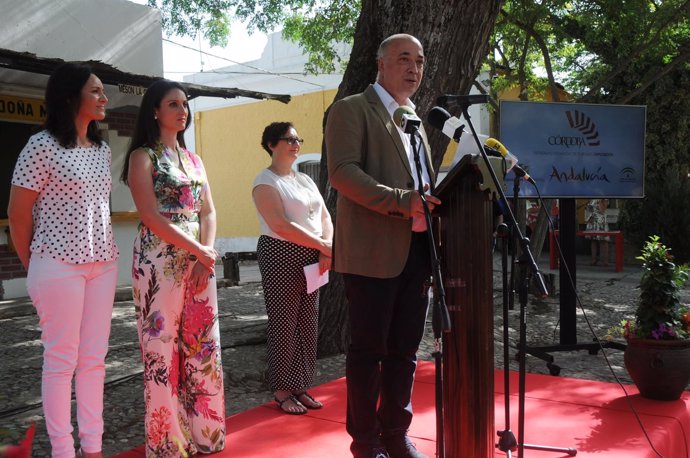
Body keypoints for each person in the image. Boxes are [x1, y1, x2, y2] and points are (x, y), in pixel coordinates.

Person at [325, 33, 440, 458]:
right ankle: (366, 442)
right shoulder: (352, 110)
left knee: (405, 352)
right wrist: (402, 201)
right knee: (368, 352)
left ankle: (395, 433)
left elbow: (422, 183)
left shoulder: (414, 120)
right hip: (372, 254)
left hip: (417, 252)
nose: (414, 69)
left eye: (420, 61)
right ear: (381, 64)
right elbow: (342, 173)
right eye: (405, 59)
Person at [7, 63, 119, 458]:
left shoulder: (103, 150)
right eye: (97, 91)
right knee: (61, 361)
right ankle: (62, 451)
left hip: (102, 263)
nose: (104, 99)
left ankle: (92, 447)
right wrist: (37, 268)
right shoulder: (40, 146)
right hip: (57, 266)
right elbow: (18, 216)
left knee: (94, 361)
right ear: (71, 96)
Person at [121, 79, 225, 457]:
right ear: (154, 110)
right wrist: (198, 249)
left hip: (199, 261)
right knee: (160, 351)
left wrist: (203, 254)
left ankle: (205, 435)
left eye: (184, 104)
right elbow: (149, 215)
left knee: (202, 347)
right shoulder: (142, 157)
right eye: (172, 104)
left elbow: (209, 210)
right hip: (159, 262)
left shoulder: (195, 159)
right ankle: (169, 444)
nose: (182, 110)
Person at [252, 122, 334, 415]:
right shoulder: (265, 181)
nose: (295, 144)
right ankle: (282, 389)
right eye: (289, 139)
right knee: (284, 323)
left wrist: (327, 246)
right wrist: (324, 247)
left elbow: (324, 215)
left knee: (307, 323)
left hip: (314, 254)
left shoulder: (304, 180)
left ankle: (301, 385)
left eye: (298, 138)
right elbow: (280, 225)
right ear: (272, 144)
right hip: (280, 253)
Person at [585, 198, 610, 266]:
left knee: (604, 241)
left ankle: (605, 261)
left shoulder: (604, 199)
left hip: (600, 222)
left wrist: (600, 200)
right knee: (593, 241)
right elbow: (588, 210)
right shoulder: (591, 199)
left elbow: (602, 210)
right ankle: (594, 260)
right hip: (592, 222)